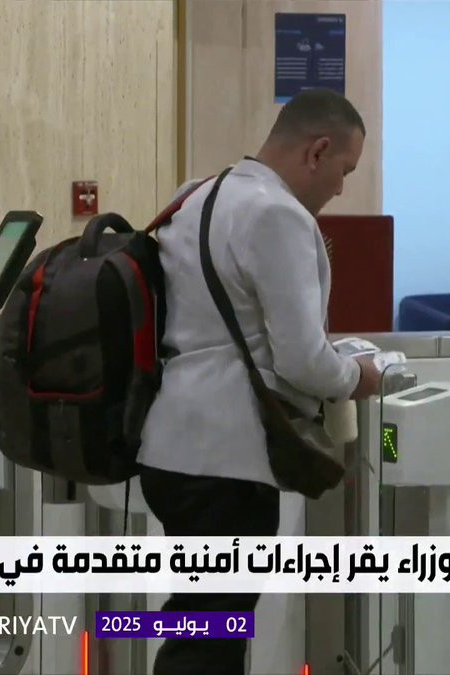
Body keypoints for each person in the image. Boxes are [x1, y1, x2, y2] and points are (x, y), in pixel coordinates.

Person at [138, 88, 382, 674]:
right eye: (345, 170)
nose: (341, 189)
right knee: (210, 638)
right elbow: (302, 359)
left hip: (169, 448)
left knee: (199, 623)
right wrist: (359, 375)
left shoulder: (196, 195)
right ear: (317, 151)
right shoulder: (277, 214)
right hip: (228, 459)